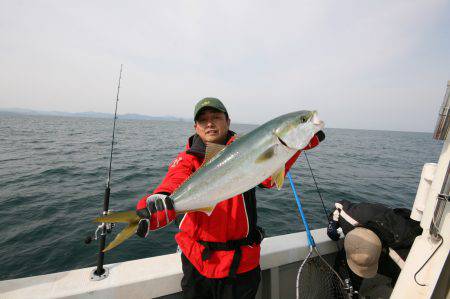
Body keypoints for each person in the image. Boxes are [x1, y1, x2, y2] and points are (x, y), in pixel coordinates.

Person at [135, 98, 325, 299]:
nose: (209, 123)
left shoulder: (250, 148)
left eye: (216, 117)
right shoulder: (187, 159)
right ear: (196, 127)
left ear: (228, 121)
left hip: (242, 265)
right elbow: (173, 181)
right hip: (198, 263)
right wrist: (157, 201)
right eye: (203, 120)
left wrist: (295, 148)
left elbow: (269, 179)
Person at [327, 199, 422, 293]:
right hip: (373, 226)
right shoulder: (353, 216)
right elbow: (339, 207)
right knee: (344, 265)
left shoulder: (404, 257)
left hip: (393, 251)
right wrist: (332, 224)